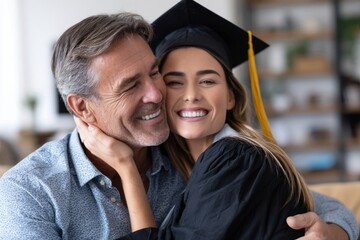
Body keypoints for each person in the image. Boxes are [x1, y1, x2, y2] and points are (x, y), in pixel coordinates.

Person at [0, 5, 356, 240]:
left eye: (154, 73)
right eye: (131, 85)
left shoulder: (184, 153)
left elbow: (326, 206)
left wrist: (336, 232)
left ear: (230, 94)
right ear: (82, 107)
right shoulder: (31, 192)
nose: (156, 93)